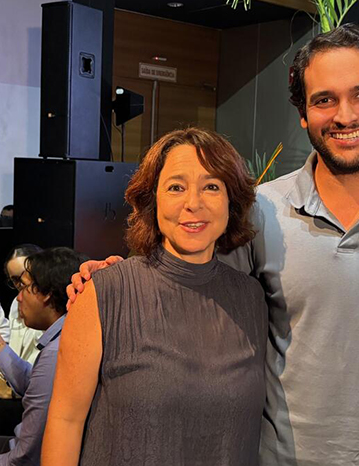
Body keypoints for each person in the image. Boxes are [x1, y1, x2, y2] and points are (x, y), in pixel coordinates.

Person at [70, 24, 359, 466]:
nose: (345, 116)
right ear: (304, 114)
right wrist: (113, 283)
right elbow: (186, 289)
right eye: (324, 100)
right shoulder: (260, 212)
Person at [42, 129, 267, 466]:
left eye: (211, 186)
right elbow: (65, 422)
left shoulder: (251, 297)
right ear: (153, 200)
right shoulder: (105, 291)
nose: (193, 203)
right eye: (176, 187)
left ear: (230, 202)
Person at [0, 247, 86, 464]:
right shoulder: (63, 336)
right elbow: (34, 383)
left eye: (24, 286)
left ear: (47, 293)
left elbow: (26, 456)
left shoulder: (57, 352)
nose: (18, 297)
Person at [3, 246, 43, 367]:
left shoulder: (50, 305)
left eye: (25, 276)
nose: (21, 284)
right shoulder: (16, 303)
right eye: (15, 280)